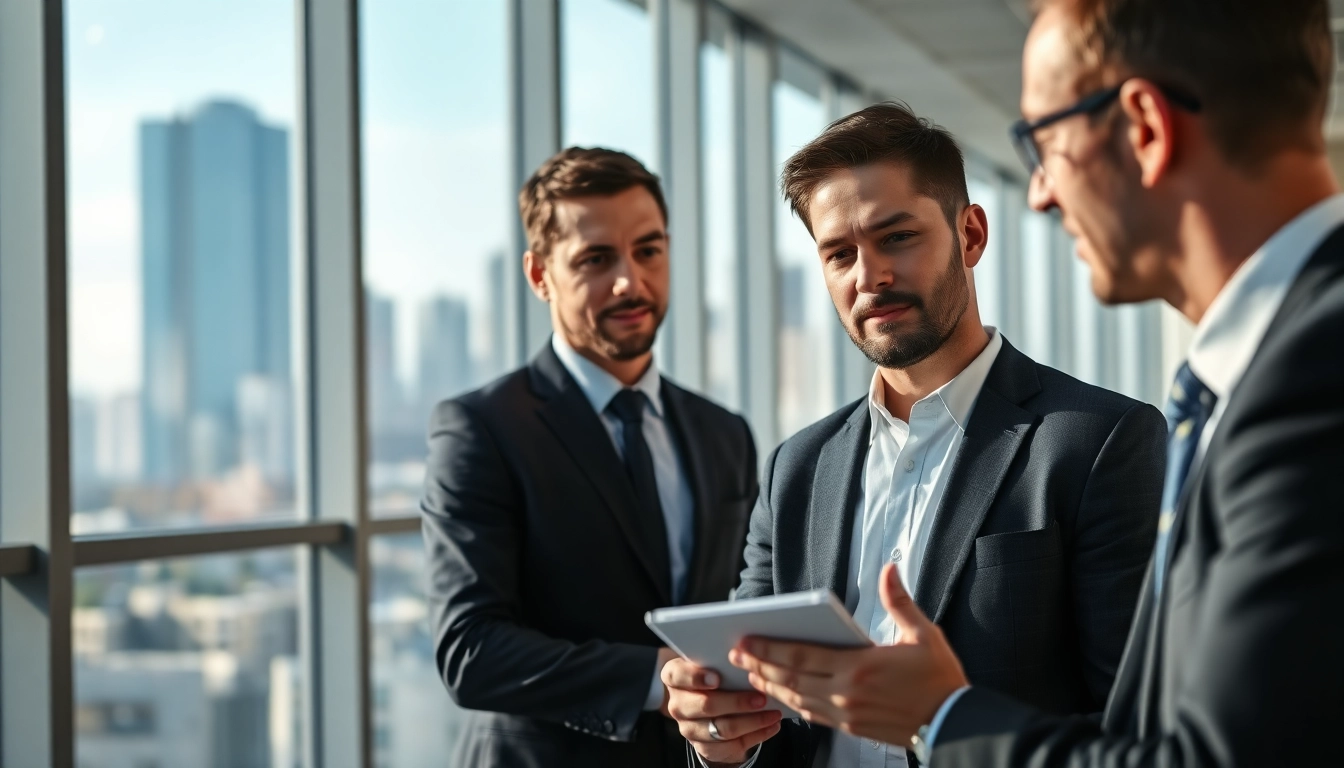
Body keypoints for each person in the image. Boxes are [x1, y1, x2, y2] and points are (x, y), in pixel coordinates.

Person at [721, 1, 1344, 765]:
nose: (1043, 193)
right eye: (837, 253)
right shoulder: (798, 464)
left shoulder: (1294, 382)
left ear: (1143, 125)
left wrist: (943, 718)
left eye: (1044, 142)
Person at [662, 102, 1167, 767]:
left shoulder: (1097, 442)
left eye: (896, 237)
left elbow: (1131, 727)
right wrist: (717, 735)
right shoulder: (798, 468)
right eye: (839, 253)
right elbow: (754, 694)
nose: (869, 276)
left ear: (971, 235)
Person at [420, 147, 759, 767]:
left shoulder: (723, 433)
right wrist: (658, 679)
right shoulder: (480, 429)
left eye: (648, 250)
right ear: (539, 275)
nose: (630, 280)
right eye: (596, 259)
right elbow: (470, 650)